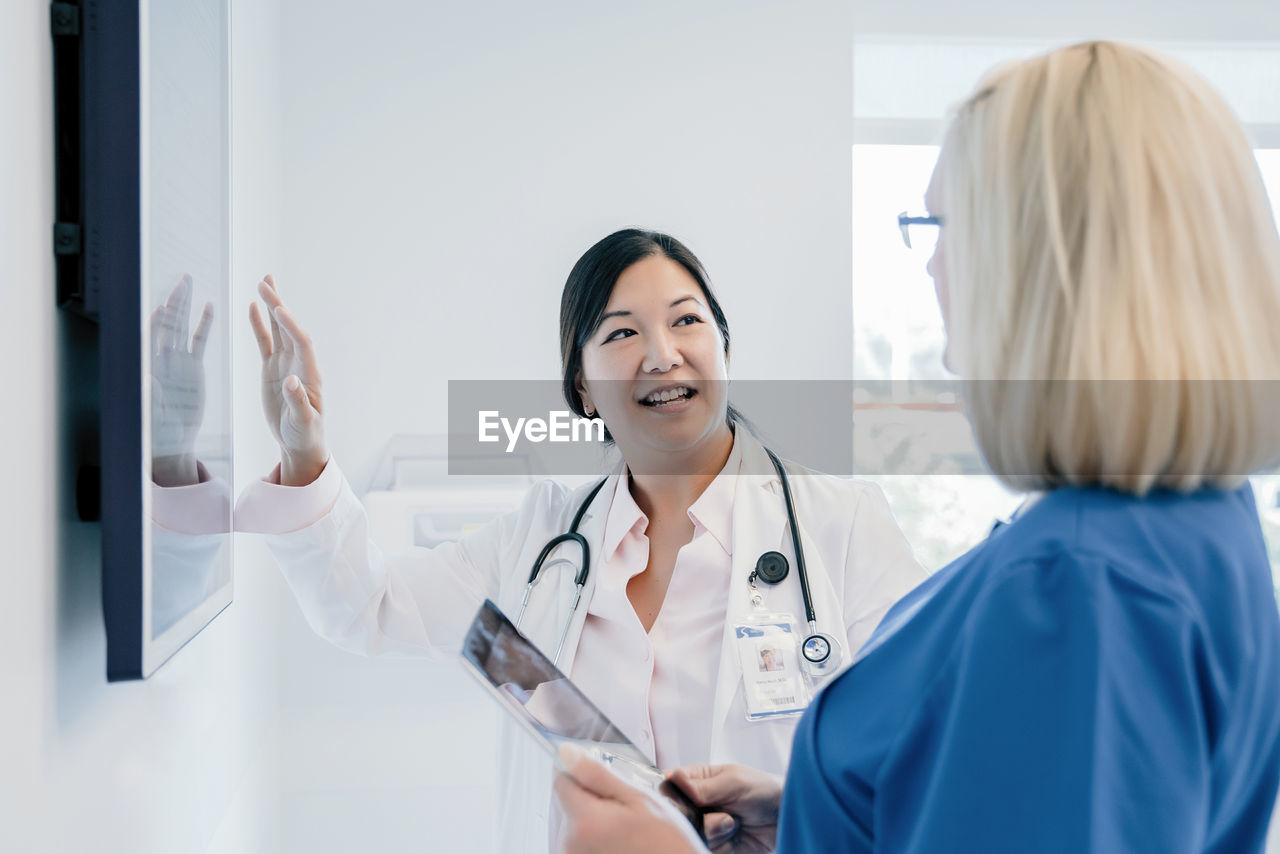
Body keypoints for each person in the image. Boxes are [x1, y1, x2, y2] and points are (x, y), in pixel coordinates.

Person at [553, 41, 1280, 854]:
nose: (933, 262)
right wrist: (824, 811)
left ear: (1044, 259)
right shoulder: (1190, 525)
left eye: (943, 223)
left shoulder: (1079, 587)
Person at [233, 229, 927, 853]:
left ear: (723, 346)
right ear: (584, 387)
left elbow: (921, 754)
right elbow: (366, 606)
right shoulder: (536, 545)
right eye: (622, 334)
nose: (662, 354)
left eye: (687, 320)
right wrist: (305, 452)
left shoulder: (841, 525)